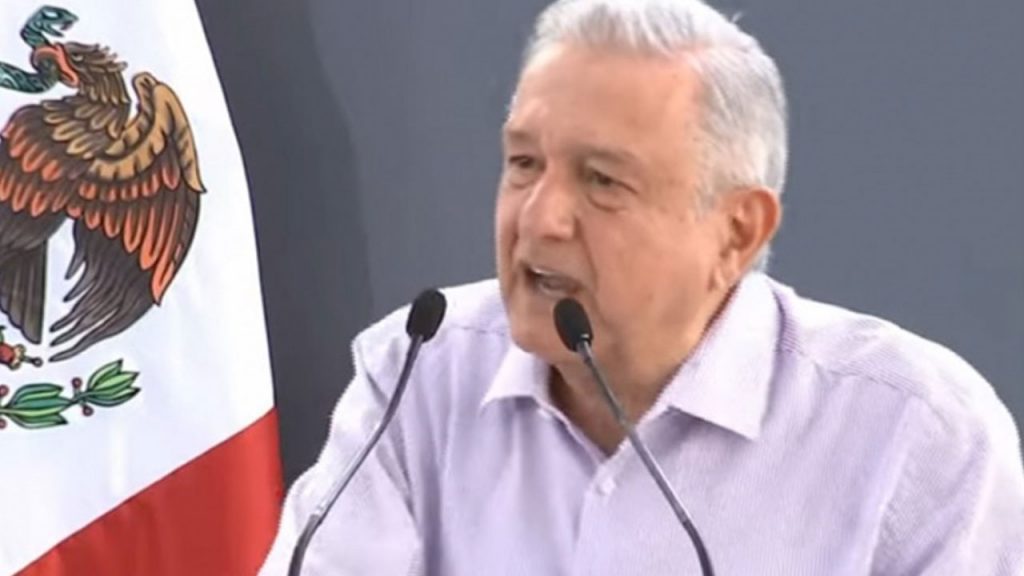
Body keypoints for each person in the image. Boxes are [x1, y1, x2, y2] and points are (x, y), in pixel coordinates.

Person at [260, 0, 1024, 573]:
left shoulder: (916, 436)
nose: (540, 218)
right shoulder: (419, 371)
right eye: (523, 164)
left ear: (737, 232)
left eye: (602, 181)